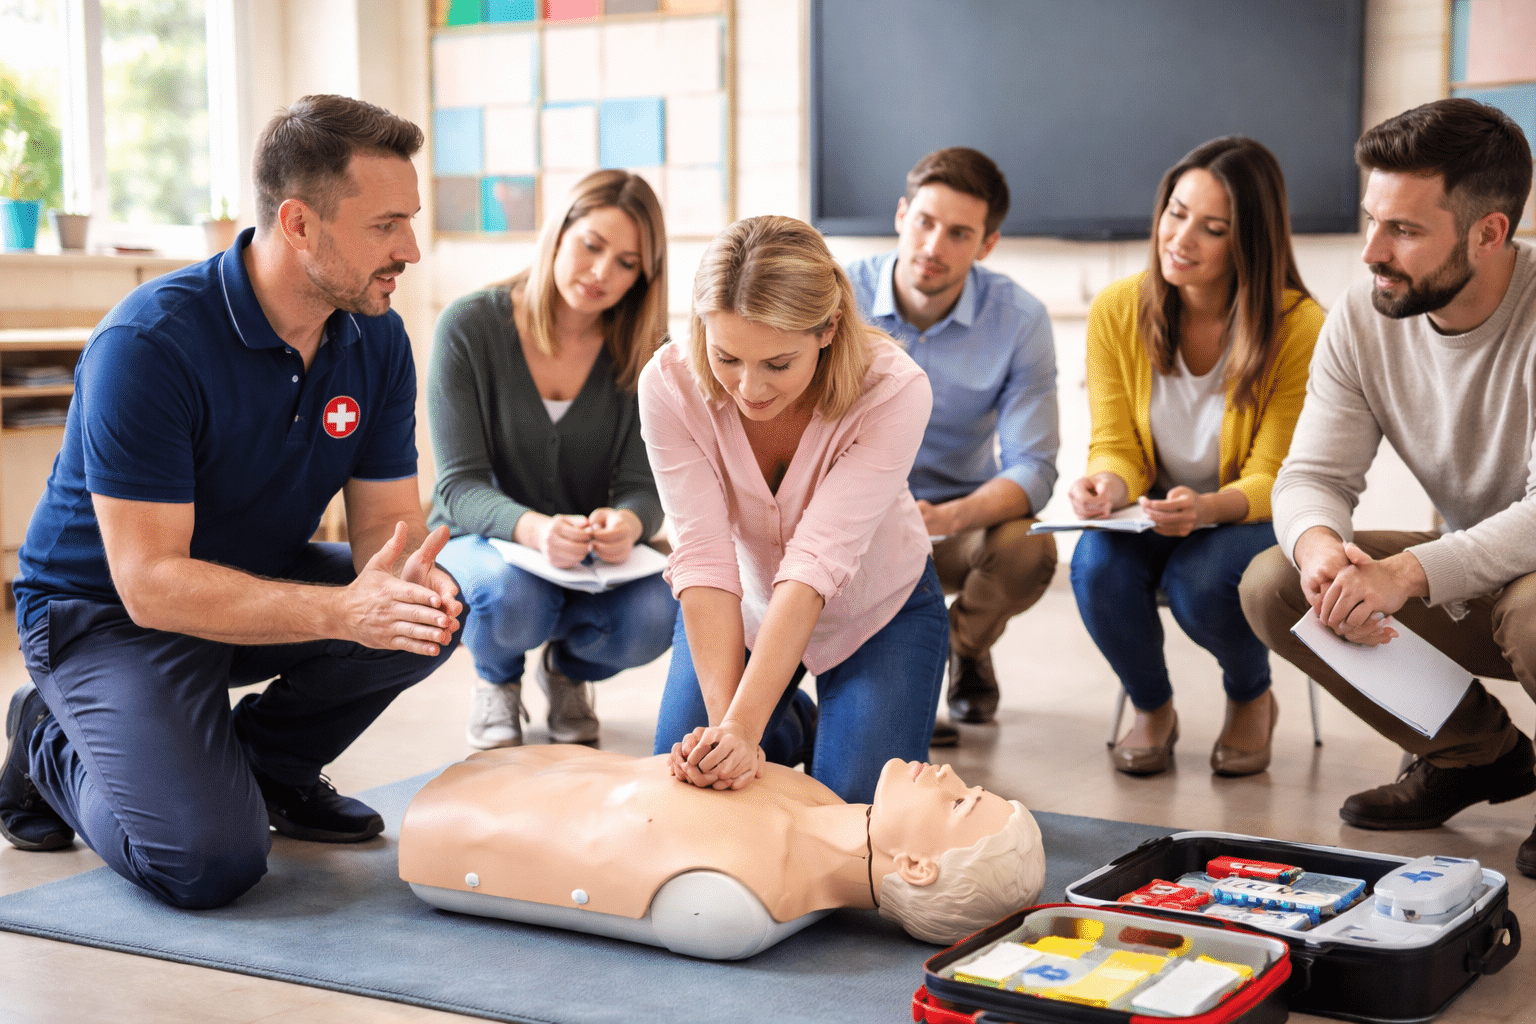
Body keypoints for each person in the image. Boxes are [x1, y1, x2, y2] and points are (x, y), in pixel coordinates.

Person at [0, 95, 462, 910]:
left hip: (252, 577)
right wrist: (343, 614)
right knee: (206, 864)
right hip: (105, 613)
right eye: (386, 226)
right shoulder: (148, 346)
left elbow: (389, 527)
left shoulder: (375, 334)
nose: (411, 250)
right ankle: (49, 736)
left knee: (433, 612)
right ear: (299, 225)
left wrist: (408, 584)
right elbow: (149, 585)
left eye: (410, 221)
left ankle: (268, 769)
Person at [1239, 99, 1536, 878]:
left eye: (1402, 230)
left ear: (1489, 232)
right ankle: (1476, 756)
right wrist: (1320, 551)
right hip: (1490, 571)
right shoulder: (1366, 317)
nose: (1372, 251)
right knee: (1278, 584)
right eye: (1371, 219)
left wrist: (1405, 573)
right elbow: (1312, 475)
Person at [640, 215, 947, 805]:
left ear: (829, 329)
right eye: (727, 356)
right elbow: (702, 557)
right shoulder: (668, 384)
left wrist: (741, 729)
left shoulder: (894, 389)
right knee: (690, 791)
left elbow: (814, 565)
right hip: (747, 611)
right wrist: (728, 735)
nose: (749, 388)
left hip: (875, 612)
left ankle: (794, 722)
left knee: (850, 818)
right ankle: (790, 721)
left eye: (777, 364)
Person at [1067, 136, 1325, 778]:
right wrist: (1107, 484)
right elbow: (1116, 445)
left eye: (1212, 229)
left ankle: (1250, 696)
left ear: (1250, 244)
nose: (1180, 238)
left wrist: (1209, 506)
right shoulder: (1117, 310)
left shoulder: (1299, 328)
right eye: (1176, 212)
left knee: (1201, 582)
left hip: (1248, 515)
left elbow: (1279, 475)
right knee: (1094, 565)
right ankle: (1154, 708)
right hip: (1157, 510)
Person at [429, 169, 677, 750]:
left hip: (593, 561)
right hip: (489, 544)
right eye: (592, 246)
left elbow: (647, 485)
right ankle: (497, 678)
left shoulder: (649, 353)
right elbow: (456, 488)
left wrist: (632, 522)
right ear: (559, 231)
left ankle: (568, 671)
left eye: (626, 263)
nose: (601, 274)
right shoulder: (469, 327)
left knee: (661, 611)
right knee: (511, 600)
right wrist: (535, 530)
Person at [399, 747, 1045, 953]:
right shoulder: (817, 800)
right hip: (517, 772)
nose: (948, 773)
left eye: (958, 802)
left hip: (455, 823)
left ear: (914, 866)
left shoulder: (741, 903)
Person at [846, 148, 1059, 744]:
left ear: (986, 245)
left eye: (959, 233)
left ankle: (961, 647)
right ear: (900, 215)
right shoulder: (838, 299)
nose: (934, 246)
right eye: (925, 222)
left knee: (1028, 546)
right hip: (856, 518)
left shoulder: (1019, 320)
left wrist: (949, 516)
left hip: (957, 523)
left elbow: (1034, 466)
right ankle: (893, 673)